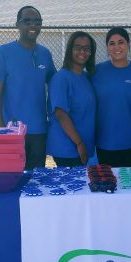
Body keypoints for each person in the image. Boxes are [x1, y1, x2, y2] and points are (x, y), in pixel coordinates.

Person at [0, 6, 56, 170]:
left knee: (35, 179)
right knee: (11, 176)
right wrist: (2, 127)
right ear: (17, 24)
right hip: (12, 130)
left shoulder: (45, 54)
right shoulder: (3, 52)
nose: (33, 25)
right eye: (27, 21)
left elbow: (55, 83)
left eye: (37, 22)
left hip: (39, 130)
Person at [92, 27, 131, 167]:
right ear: (107, 47)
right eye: (112, 43)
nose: (117, 47)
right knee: (108, 184)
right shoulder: (96, 72)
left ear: (129, 45)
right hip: (105, 142)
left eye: (121, 42)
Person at [46, 31, 97, 167]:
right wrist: (79, 143)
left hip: (83, 146)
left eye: (87, 48)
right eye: (78, 47)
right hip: (67, 149)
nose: (82, 51)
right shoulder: (61, 78)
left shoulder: (86, 77)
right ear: (70, 50)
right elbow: (60, 114)